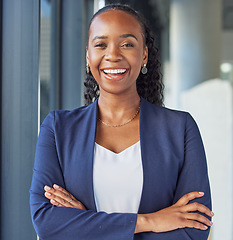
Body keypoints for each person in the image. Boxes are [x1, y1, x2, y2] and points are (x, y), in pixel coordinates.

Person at [30, 3, 213, 240]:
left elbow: (194, 229)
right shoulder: (58, 128)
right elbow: (46, 222)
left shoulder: (181, 129)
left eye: (127, 44)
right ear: (88, 55)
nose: (113, 55)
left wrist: (89, 224)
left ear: (144, 55)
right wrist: (151, 221)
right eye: (100, 44)